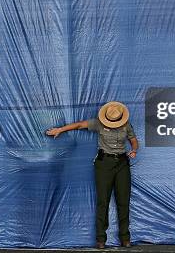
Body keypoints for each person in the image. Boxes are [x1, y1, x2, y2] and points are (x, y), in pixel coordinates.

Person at [46, 101, 138, 249]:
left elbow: (134, 141)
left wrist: (134, 150)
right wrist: (60, 130)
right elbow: (79, 125)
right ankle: (101, 239)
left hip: (122, 164)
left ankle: (125, 238)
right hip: (104, 164)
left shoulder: (126, 125)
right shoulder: (99, 124)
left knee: (123, 201)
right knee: (103, 201)